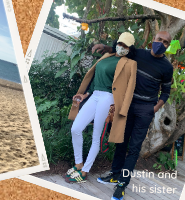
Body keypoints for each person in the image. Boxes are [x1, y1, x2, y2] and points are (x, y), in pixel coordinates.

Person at [92, 31, 174, 200]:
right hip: (127, 106)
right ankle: (115, 174)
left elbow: (166, 91)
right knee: (121, 141)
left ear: (168, 46)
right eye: (159, 39)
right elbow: (121, 49)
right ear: (153, 40)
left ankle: (122, 184)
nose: (161, 43)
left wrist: (155, 108)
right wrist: (105, 47)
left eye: (165, 42)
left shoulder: (167, 67)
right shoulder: (139, 54)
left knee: (134, 148)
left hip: (145, 110)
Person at [64, 32, 137, 184]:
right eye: (120, 43)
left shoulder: (130, 64)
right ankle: (79, 163)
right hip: (94, 95)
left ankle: (84, 172)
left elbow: (129, 89)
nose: (121, 47)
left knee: (96, 136)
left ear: (129, 48)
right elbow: (96, 78)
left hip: (109, 97)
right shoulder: (107, 56)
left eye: (124, 46)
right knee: (75, 128)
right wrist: (86, 94)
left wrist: (121, 109)